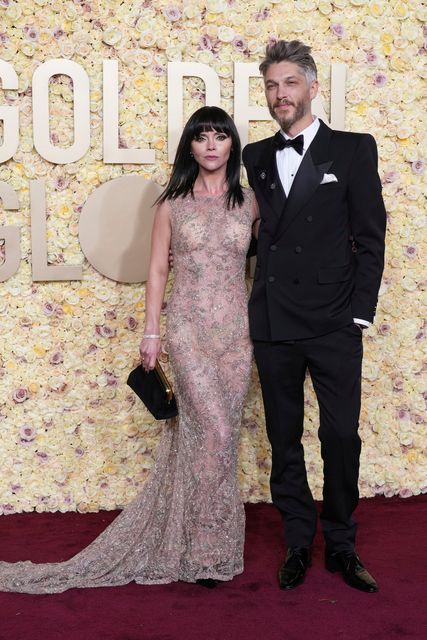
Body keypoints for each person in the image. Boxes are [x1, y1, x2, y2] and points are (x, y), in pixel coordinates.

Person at [0, 106, 258, 593]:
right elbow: (158, 270)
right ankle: (204, 552)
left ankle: (211, 546)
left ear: (231, 146)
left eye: (219, 137)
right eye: (201, 136)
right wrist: (153, 332)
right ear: (189, 146)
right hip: (187, 332)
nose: (209, 145)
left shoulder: (249, 203)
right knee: (216, 433)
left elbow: (272, 260)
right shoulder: (172, 204)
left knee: (217, 444)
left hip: (237, 337)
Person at [242, 40, 386, 593]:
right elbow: (253, 236)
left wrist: (359, 315)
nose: (280, 95)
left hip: (333, 323)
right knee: (284, 439)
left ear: (313, 87)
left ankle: (342, 544)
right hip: (275, 322)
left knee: (340, 436)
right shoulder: (254, 156)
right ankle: (298, 542)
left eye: (290, 84)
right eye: (272, 87)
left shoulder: (352, 149)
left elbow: (370, 238)